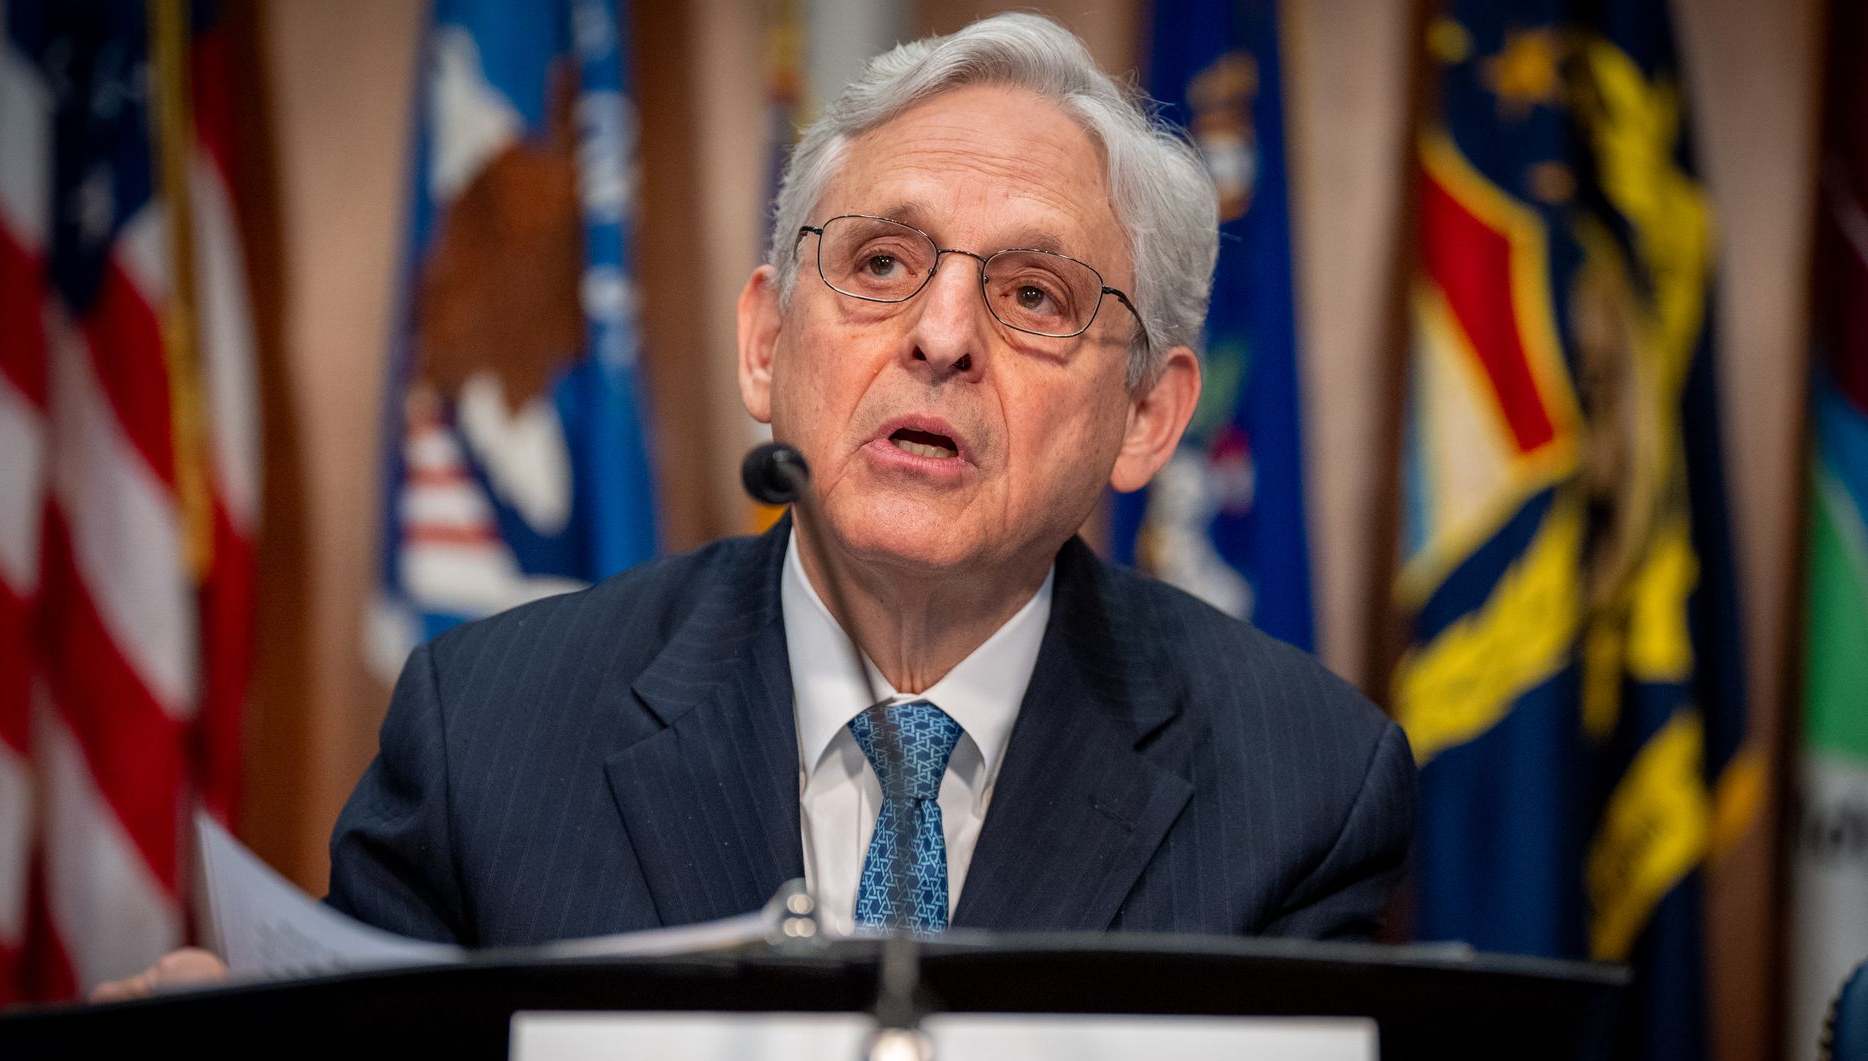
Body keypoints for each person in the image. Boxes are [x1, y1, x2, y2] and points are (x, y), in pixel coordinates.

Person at [97, 11, 1412, 998]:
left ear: (1148, 417)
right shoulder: (486, 735)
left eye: (1034, 295)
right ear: (765, 347)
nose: (943, 336)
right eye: (882, 264)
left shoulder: (1301, 787)